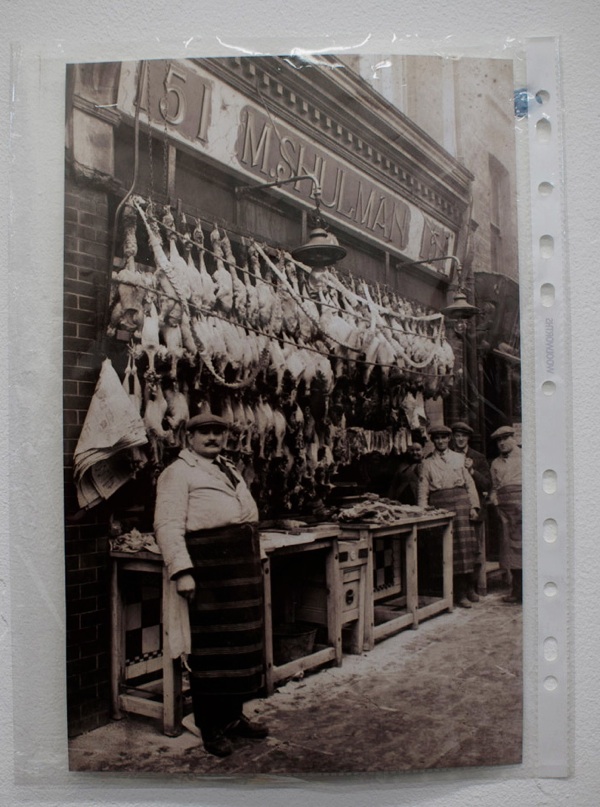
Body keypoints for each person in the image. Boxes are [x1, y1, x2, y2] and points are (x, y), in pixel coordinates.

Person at [154, 411, 268, 757]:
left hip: (240, 568)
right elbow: (167, 524)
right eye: (205, 432)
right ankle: (210, 725)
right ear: (189, 438)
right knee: (212, 650)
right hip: (210, 570)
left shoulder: (228, 467)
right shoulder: (177, 473)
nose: (213, 438)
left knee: (242, 645)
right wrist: (182, 570)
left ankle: (233, 717)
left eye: (219, 432)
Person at [418, 424, 480, 608]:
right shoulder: (427, 463)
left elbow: (470, 485)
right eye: (437, 438)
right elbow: (423, 491)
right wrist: (423, 512)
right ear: (433, 441)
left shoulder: (460, 458)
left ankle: (468, 588)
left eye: (444, 438)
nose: (441, 441)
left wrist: (474, 506)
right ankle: (456, 593)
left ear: (449, 439)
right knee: (446, 550)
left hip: (461, 504)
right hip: (440, 506)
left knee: (465, 550)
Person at [450, 422, 492, 599]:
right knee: (457, 551)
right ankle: (458, 590)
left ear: (468, 438)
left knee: (474, 551)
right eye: (457, 436)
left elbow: (487, 484)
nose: (460, 439)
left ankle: (471, 588)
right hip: (455, 510)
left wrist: (472, 470)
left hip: (474, 511)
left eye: (463, 436)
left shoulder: (478, 457)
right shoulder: (448, 456)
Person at [489, 425, 523, 604]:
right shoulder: (495, 463)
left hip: (523, 508)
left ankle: (530, 590)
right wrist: (495, 503)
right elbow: (494, 487)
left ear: (513, 438)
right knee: (509, 551)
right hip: (504, 511)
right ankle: (516, 591)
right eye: (498, 441)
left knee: (525, 548)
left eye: (505, 439)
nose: (501, 444)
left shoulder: (526, 457)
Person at [387, 440, 424, 505]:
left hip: (419, 500)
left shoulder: (427, 465)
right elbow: (393, 486)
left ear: (423, 451)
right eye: (411, 450)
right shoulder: (402, 466)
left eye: (418, 450)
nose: (415, 452)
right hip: (401, 500)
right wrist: (389, 500)